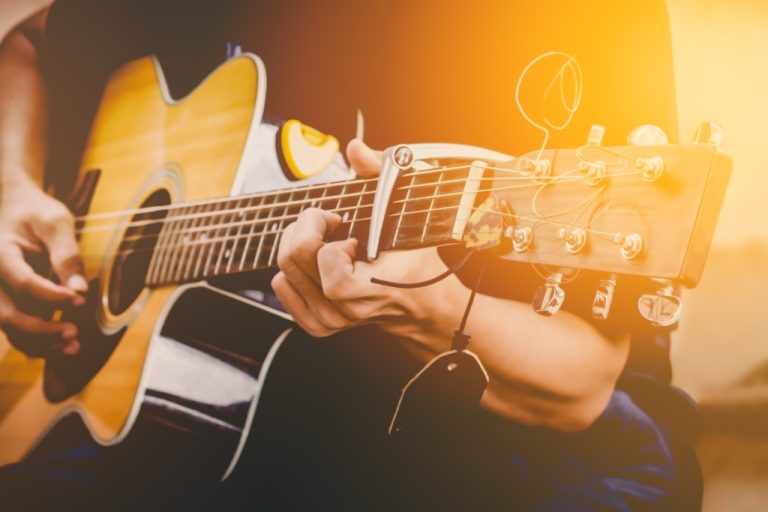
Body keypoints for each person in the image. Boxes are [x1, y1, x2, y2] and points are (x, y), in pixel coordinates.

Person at [0, 0, 701, 510]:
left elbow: (582, 386)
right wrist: (11, 189)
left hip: (480, 441)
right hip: (173, 420)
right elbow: (27, 46)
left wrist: (433, 312)